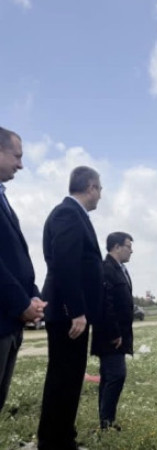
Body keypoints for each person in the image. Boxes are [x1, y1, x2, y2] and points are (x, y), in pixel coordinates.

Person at [38, 166, 104, 450]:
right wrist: (76, 310)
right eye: (99, 189)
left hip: (71, 313)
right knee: (63, 379)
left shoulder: (75, 215)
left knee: (69, 378)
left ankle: (62, 437)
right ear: (90, 187)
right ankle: (54, 442)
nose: (100, 195)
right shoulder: (68, 213)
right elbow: (65, 264)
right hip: (69, 315)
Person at [0, 127, 47, 411]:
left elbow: (17, 258)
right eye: (16, 156)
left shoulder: (3, 198)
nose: (21, 164)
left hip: (10, 322)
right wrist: (21, 303)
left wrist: (33, 296)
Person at [91, 232, 135, 431]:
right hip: (111, 336)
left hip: (119, 335)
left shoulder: (120, 269)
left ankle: (106, 422)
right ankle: (106, 424)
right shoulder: (106, 269)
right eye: (128, 246)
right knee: (116, 375)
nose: (131, 250)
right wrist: (114, 333)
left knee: (110, 377)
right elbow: (105, 305)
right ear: (116, 247)